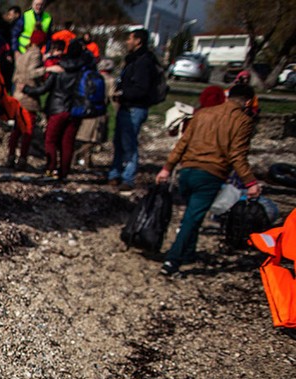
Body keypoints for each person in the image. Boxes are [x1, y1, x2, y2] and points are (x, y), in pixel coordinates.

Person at [155, 84, 260, 277]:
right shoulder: (242, 121)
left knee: (192, 214)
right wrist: (250, 182)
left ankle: (187, 253)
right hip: (211, 173)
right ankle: (172, 260)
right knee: (192, 218)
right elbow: (237, 155)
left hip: (186, 171)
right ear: (247, 101)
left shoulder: (202, 114)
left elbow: (182, 144)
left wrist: (167, 168)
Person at [23, 39, 90, 182]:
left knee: (51, 140)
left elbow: (44, 89)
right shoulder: (83, 71)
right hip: (75, 110)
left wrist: (27, 89)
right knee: (67, 142)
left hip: (57, 108)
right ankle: (64, 172)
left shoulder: (59, 68)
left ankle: (50, 168)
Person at [107, 28, 160, 191]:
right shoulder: (133, 60)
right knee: (119, 142)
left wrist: (123, 93)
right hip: (127, 106)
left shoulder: (143, 62)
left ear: (138, 41)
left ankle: (127, 177)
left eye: (130, 39)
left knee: (129, 144)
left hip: (135, 108)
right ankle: (115, 173)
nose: (127, 42)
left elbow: (141, 89)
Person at [7, 27, 46, 170]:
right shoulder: (36, 54)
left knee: (16, 130)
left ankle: (10, 157)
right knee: (27, 131)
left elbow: (15, 76)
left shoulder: (23, 54)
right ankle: (22, 159)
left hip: (17, 95)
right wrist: (47, 69)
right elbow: (32, 73)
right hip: (28, 97)